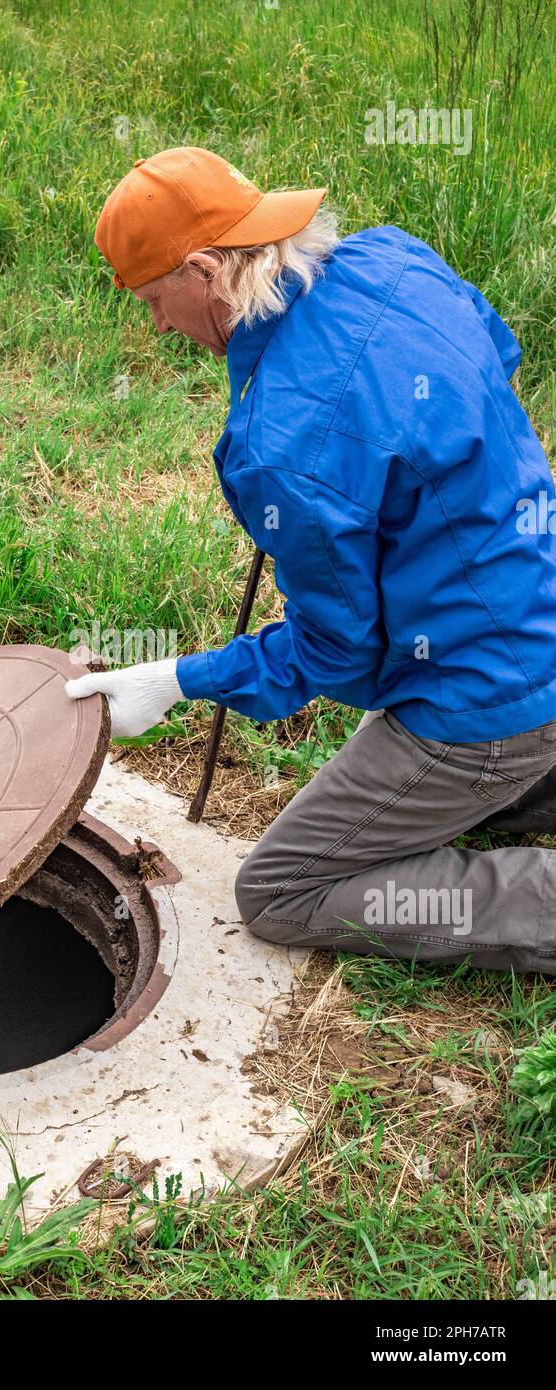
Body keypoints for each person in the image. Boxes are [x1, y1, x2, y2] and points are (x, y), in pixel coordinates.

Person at [66, 146, 556, 975]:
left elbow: (339, 652)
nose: (155, 324)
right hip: (537, 606)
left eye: (154, 299)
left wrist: (176, 680)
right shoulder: (393, 257)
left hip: (485, 696)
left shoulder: (285, 446)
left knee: (280, 890)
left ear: (206, 270)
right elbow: (496, 355)